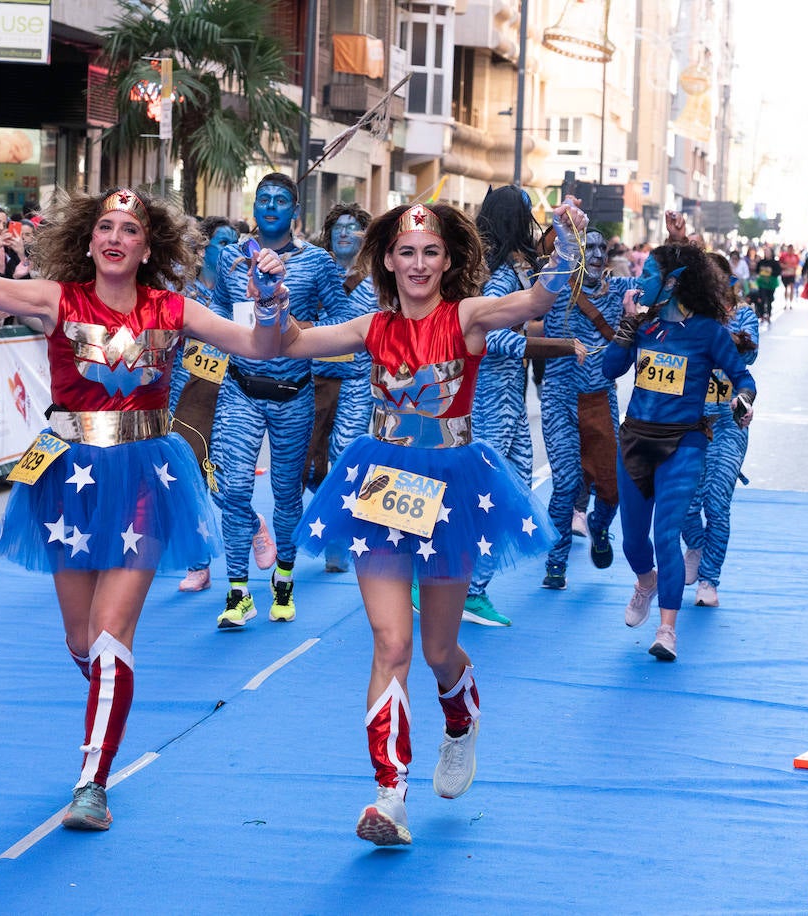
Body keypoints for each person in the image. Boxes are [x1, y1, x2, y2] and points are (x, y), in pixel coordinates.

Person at [0, 177, 291, 832]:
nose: (117, 239)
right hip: (67, 476)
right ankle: (104, 702)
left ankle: (92, 779)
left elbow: (259, 347)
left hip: (144, 478)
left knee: (113, 637)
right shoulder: (57, 299)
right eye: (107, 229)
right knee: (83, 640)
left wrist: (269, 300)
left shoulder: (173, 311)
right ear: (89, 241)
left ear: (148, 249)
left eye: (131, 231)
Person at [283, 198, 586, 846]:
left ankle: (461, 719)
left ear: (447, 260)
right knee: (390, 644)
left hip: (451, 491)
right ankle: (389, 795)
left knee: (437, 650)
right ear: (387, 260)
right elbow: (292, 342)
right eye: (405, 251)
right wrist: (267, 304)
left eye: (430, 251)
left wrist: (565, 245)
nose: (417, 262)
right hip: (383, 485)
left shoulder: (468, 317)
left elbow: (533, 303)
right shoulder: (371, 328)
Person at [208, 173, 351, 628]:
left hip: (293, 394)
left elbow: (344, 321)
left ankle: (284, 580)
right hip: (241, 388)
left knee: (288, 492)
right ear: (254, 207)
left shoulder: (318, 262)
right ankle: (236, 592)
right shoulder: (232, 258)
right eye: (263, 198)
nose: (271, 206)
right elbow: (215, 313)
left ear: (295, 211)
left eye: (281, 200)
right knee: (232, 490)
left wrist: (290, 326)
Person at [602, 242, 756, 662]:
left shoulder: (708, 331)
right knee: (634, 542)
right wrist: (627, 326)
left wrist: (742, 400)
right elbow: (609, 370)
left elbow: (744, 378)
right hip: (635, 441)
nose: (641, 281)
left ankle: (667, 629)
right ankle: (645, 581)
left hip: (683, 443)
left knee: (665, 535)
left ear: (671, 283)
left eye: (649, 274)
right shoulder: (645, 326)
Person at [463, 184, 582, 624]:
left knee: (511, 495)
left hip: (508, 400)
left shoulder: (509, 269)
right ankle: (442, 579)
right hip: (491, 402)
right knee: (490, 497)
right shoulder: (496, 277)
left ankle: (472, 588)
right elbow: (488, 336)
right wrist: (539, 346)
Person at [537, 226, 638, 592]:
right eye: (588, 247)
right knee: (565, 484)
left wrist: (677, 241)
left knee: (612, 489)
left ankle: (599, 526)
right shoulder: (553, 287)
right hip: (560, 399)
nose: (596, 254)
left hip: (600, 398)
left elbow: (661, 281)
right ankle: (556, 561)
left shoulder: (621, 291)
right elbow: (540, 259)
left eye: (602, 248)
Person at [682, 253, 759, 608]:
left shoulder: (744, 313)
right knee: (682, 504)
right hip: (690, 422)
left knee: (717, 504)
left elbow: (749, 350)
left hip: (729, 424)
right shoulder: (688, 314)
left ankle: (709, 580)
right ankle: (695, 544)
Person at [170, 215, 241, 593]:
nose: (230, 249)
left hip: (233, 396)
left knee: (229, 483)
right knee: (189, 476)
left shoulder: (243, 292)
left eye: (235, 241)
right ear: (203, 249)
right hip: (189, 395)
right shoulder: (184, 293)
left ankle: (253, 526)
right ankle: (198, 563)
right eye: (222, 242)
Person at [304, 201, 373, 574]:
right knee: (310, 463)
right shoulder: (315, 270)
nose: (345, 232)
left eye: (353, 227)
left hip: (357, 384)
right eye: (338, 226)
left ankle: (339, 537)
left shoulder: (378, 280)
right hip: (313, 379)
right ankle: (329, 521)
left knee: (345, 460)